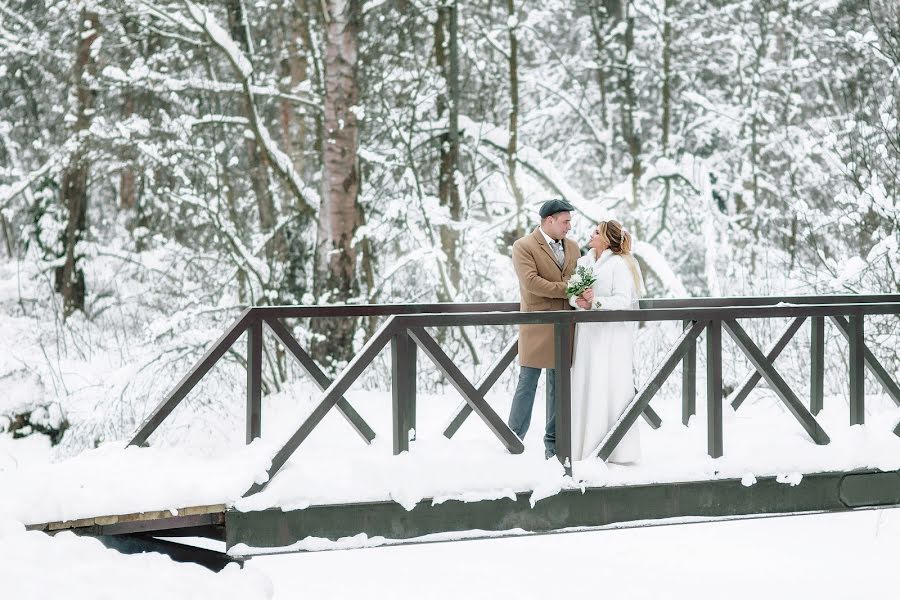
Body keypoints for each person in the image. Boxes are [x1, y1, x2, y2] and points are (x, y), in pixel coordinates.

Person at [568, 219, 645, 462]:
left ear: (606, 239)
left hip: (611, 337)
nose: (591, 234)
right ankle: (584, 447)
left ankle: (615, 450)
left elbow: (623, 300)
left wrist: (596, 302)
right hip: (588, 335)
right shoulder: (584, 262)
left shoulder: (620, 265)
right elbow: (572, 293)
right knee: (587, 382)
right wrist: (578, 301)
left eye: (596, 232)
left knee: (608, 383)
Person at [509, 199, 580, 459]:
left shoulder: (573, 247)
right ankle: (513, 440)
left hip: (567, 326)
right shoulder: (524, 246)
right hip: (537, 325)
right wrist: (569, 289)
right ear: (549, 220)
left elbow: (581, 278)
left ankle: (554, 445)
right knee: (527, 382)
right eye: (565, 221)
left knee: (558, 386)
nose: (569, 227)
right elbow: (531, 283)